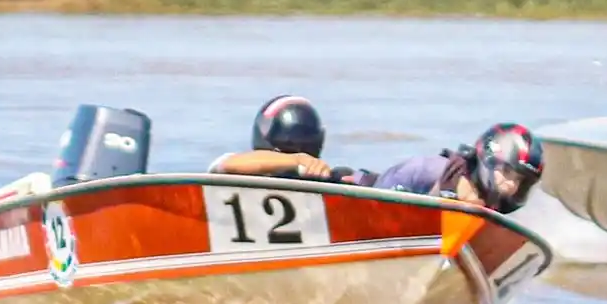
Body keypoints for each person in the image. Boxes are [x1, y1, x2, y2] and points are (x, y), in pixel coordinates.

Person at [369, 123, 545, 214]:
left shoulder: (500, 205)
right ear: (487, 160)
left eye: (519, 180)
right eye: (507, 172)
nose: (511, 184)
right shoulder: (432, 170)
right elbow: (378, 193)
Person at [209, 94, 338, 179]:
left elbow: (357, 179)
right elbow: (226, 164)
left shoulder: (329, 176)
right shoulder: (238, 167)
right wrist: (297, 160)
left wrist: (346, 177)